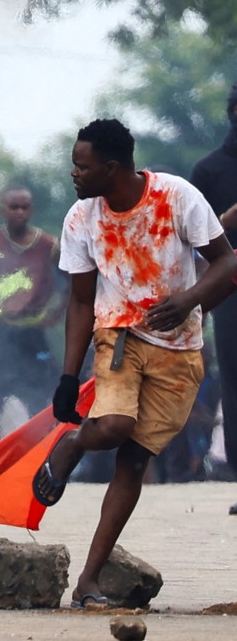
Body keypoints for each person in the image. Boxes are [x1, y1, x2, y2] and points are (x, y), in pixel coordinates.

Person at [34, 119, 236, 609]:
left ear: (112, 167)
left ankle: (88, 581)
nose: (74, 174)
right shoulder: (81, 218)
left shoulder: (178, 197)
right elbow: (81, 302)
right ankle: (75, 443)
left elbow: (228, 264)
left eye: (82, 166)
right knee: (113, 426)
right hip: (118, 335)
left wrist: (188, 299)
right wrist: (68, 375)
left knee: (134, 462)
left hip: (180, 348)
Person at [0, 186, 66, 448]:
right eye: (13, 207)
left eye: (24, 207)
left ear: (31, 209)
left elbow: (77, 280)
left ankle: (41, 464)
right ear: (2, 209)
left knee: (42, 403)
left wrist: (57, 312)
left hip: (33, 335)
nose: (19, 212)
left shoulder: (49, 246)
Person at [188, 82, 237, 513]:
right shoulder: (209, 170)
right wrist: (227, 219)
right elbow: (190, 239)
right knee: (235, 383)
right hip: (230, 291)